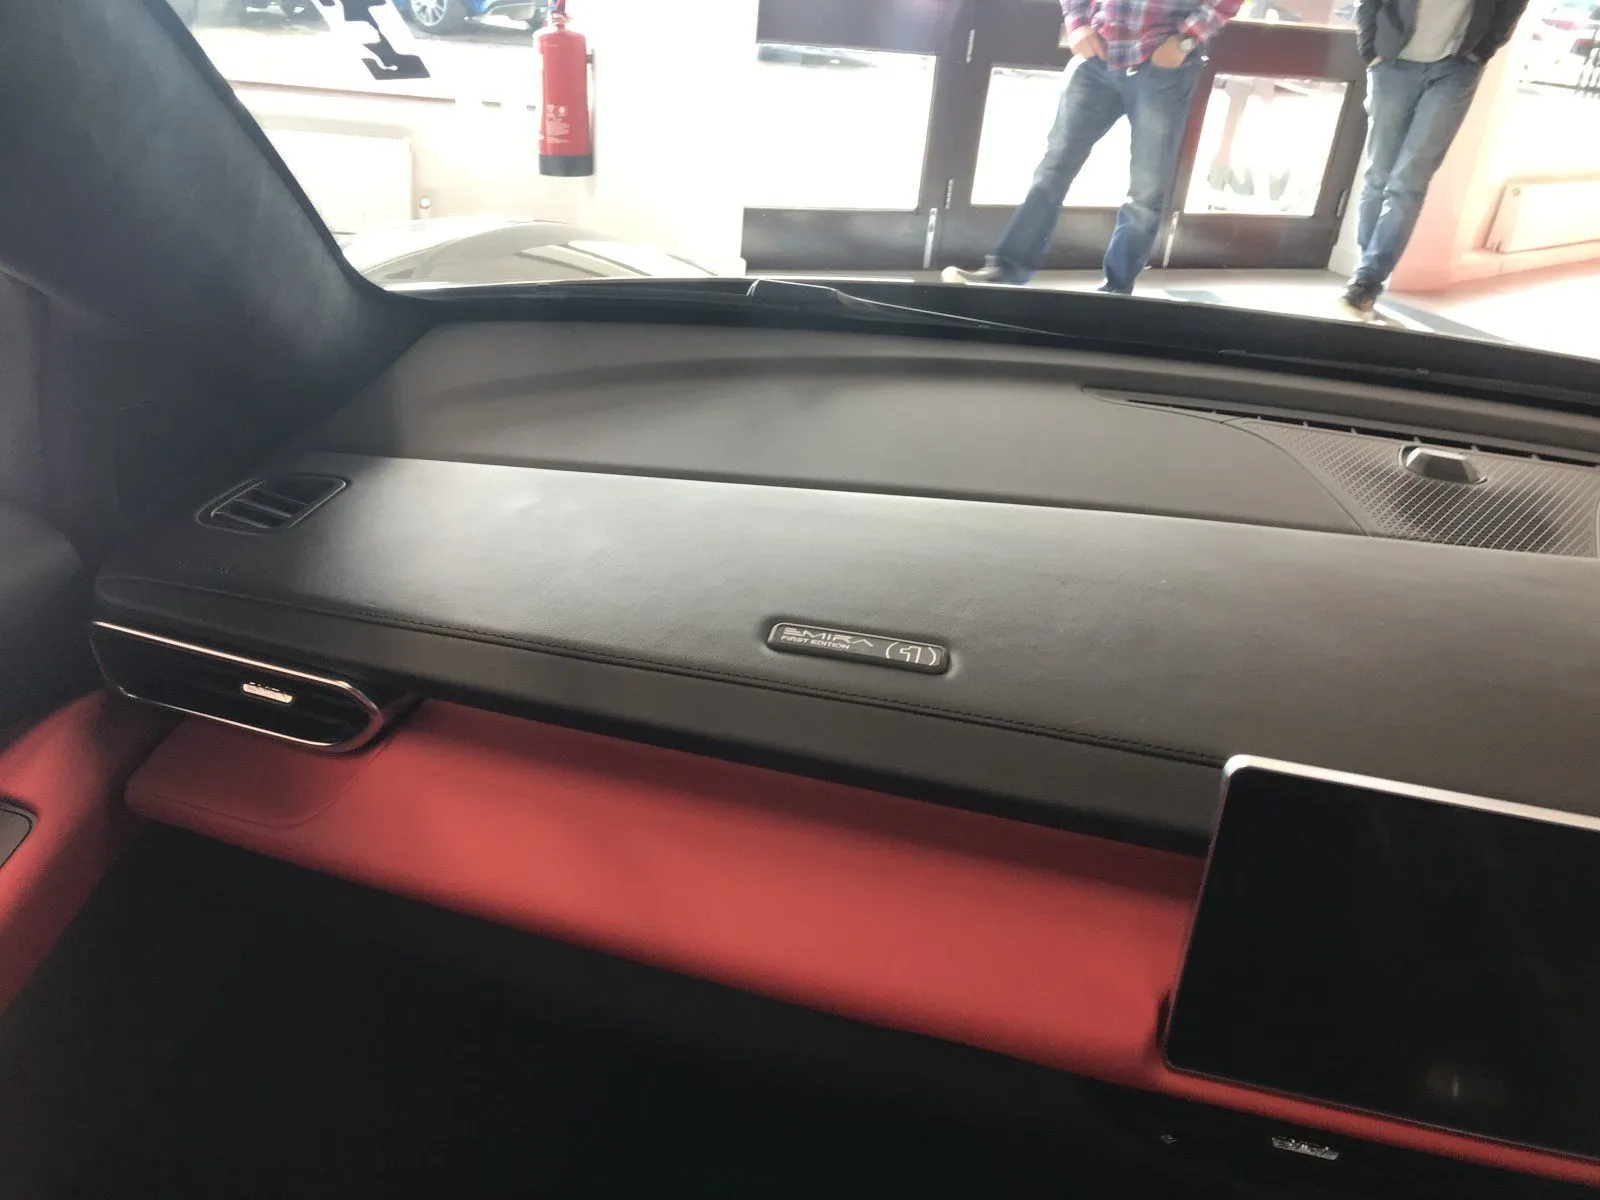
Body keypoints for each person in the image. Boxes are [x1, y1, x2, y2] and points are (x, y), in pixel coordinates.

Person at [942, 0, 1244, 294]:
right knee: (1053, 168)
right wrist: (1077, 23)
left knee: (1146, 190)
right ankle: (1006, 272)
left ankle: (1116, 291)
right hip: (1098, 56)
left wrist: (1184, 41)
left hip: (1163, 68)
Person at [1342, 0, 1528, 316]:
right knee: (1378, 175)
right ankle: (1366, 269)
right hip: (1392, 61)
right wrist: (1370, 49)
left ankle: (1367, 280)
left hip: (1454, 69)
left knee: (1409, 181)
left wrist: (1482, 51)